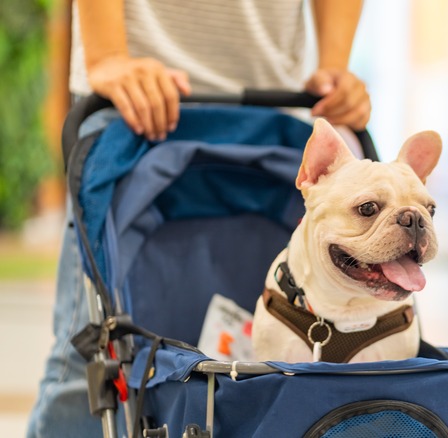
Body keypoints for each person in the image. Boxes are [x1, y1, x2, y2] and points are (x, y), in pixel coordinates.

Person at [27, 1, 371, 436]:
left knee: (278, 361)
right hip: (136, 104)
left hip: (279, 113)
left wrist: (334, 68)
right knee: (94, 359)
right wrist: (106, 56)